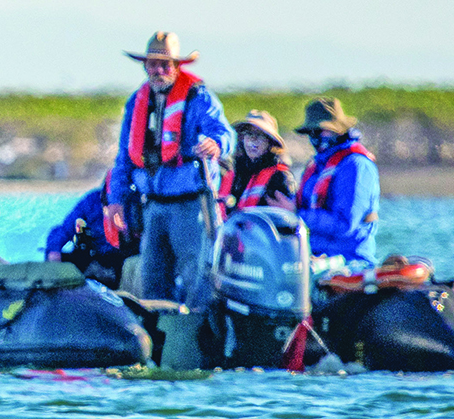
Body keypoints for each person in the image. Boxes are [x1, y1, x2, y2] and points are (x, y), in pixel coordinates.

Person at [104, 31, 233, 369]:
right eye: (152, 64)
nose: (158, 70)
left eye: (165, 64)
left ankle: (200, 351)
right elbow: (124, 158)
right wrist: (116, 201)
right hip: (154, 207)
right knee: (152, 278)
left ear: (177, 65)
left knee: (197, 280)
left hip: (192, 205)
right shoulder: (136, 102)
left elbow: (224, 133)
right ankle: (157, 351)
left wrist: (216, 145)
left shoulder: (198, 96)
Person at [294, 97, 379, 266]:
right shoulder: (318, 165)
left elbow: (345, 225)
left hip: (350, 261)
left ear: (338, 130)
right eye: (311, 132)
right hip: (313, 258)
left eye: (320, 131)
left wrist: (296, 216)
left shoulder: (356, 165)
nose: (315, 137)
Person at [44, 172, 136, 287]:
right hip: (93, 257)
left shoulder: (134, 204)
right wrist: (54, 250)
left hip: (123, 260)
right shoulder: (92, 202)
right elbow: (64, 230)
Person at [222, 110, 297, 213]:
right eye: (249, 134)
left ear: (270, 142)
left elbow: (287, 217)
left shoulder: (281, 177)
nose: (253, 140)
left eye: (260, 135)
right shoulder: (237, 173)